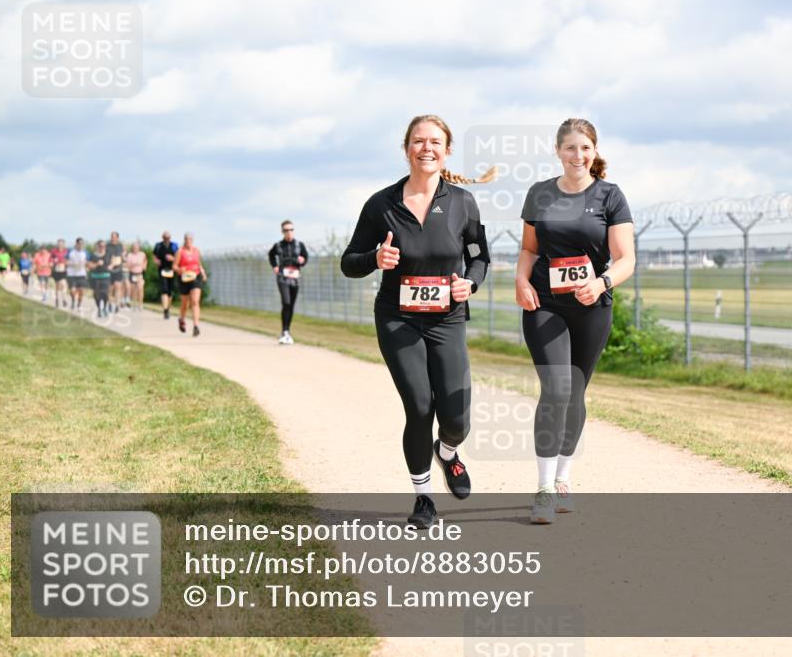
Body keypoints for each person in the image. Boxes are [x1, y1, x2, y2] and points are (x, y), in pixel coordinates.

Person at [341, 114, 493, 529]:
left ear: (447, 151)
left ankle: (448, 452)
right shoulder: (381, 204)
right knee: (420, 406)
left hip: (447, 320)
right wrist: (375, 258)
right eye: (418, 141)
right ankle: (423, 497)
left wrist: (470, 283)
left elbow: (479, 257)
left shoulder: (462, 202)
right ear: (406, 148)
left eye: (435, 142)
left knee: (456, 418)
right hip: (398, 319)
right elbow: (349, 262)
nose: (427, 148)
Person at [515, 118, 635, 524]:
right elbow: (529, 249)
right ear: (557, 150)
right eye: (570, 147)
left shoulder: (610, 196)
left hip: (591, 306)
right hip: (544, 303)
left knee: (576, 392)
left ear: (594, 151)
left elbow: (626, 259)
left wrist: (601, 283)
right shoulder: (540, 194)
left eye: (585, 148)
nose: (578, 155)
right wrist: (520, 280)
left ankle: (563, 477)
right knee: (556, 388)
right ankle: (544, 489)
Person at [268, 220, 309, 344]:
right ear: (282, 231)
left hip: (295, 278)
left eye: (291, 229)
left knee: (291, 305)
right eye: (286, 230)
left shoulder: (299, 245)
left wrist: (303, 261)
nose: (289, 232)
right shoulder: (278, 245)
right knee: (286, 302)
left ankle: (287, 331)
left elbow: (306, 257)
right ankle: (284, 331)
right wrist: (275, 266)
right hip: (283, 277)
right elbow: (271, 255)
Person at [173, 232, 207, 337]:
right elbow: (174, 266)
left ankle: (196, 326)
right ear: (184, 240)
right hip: (184, 278)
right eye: (187, 239)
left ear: (193, 240)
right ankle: (182, 319)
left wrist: (203, 272)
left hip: (195, 277)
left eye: (191, 239)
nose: (189, 241)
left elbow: (198, 263)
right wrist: (179, 269)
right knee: (185, 303)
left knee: (195, 301)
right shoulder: (180, 251)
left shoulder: (196, 251)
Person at [153, 231, 179, 319]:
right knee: (164, 289)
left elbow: (178, 257)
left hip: (172, 270)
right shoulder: (158, 246)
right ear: (162, 238)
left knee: (170, 291)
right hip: (162, 270)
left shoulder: (174, 246)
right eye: (165, 238)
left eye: (168, 238)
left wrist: (173, 259)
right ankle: (165, 310)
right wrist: (156, 261)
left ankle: (168, 308)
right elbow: (154, 256)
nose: (166, 239)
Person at [87, 240, 111, 318]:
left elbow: (112, 262)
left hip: (105, 277)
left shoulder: (108, 254)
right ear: (97, 246)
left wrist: (112, 265)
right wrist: (97, 264)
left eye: (103, 246)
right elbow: (89, 266)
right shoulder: (93, 255)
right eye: (100, 246)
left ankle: (104, 308)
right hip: (95, 277)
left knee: (105, 294)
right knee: (97, 295)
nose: (102, 247)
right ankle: (99, 309)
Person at [66, 238, 89, 311]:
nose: (81, 245)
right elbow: (65, 260)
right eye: (79, 243)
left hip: (81, 274)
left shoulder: (85, 252)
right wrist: (71, 263)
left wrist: (85, 264)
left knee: (81, 291)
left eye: (82, 244)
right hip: (72, 274)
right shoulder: (70, 251)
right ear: (76, 244)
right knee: (72, 291)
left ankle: (79, 305)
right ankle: (73, 301)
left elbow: (88, 261)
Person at [105, 231, 125, 313]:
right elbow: (105, 257)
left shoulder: (120, 246)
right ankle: (110, 303)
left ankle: (117, 305)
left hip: (118, 269)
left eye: (114, 237)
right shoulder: (107, 246)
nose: (113, 238)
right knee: (110, 289)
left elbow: (122, 257)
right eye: (112, 237)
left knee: (118, 287)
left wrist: (124, 258)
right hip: (109, 270)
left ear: (117, 238)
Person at [125, 241, 148, 310]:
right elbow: (128, 265)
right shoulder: (130, 255)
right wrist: (134, 265)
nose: (135, 248)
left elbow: (145, 261)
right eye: (134, 247)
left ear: (139, 248)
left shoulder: (142, 254)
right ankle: (134, 304)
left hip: (140, 274)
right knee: (133, 290)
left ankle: (140, 304)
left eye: (136, 247)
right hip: (132, 274)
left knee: (140, 289)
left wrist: (144, 266)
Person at [49, 238, 69, 308]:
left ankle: (64, 299)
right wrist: (53, 262)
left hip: (63, 270)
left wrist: (66, 262)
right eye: (59, 244)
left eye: (62, 244)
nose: (60, 245)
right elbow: (50, 259)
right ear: (57, 244)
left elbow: (69, 259)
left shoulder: (66, 251)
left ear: (64, 244)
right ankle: (57, 299)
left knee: (64, 284)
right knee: (58, 286)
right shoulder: (54, 251)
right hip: (56, 270)